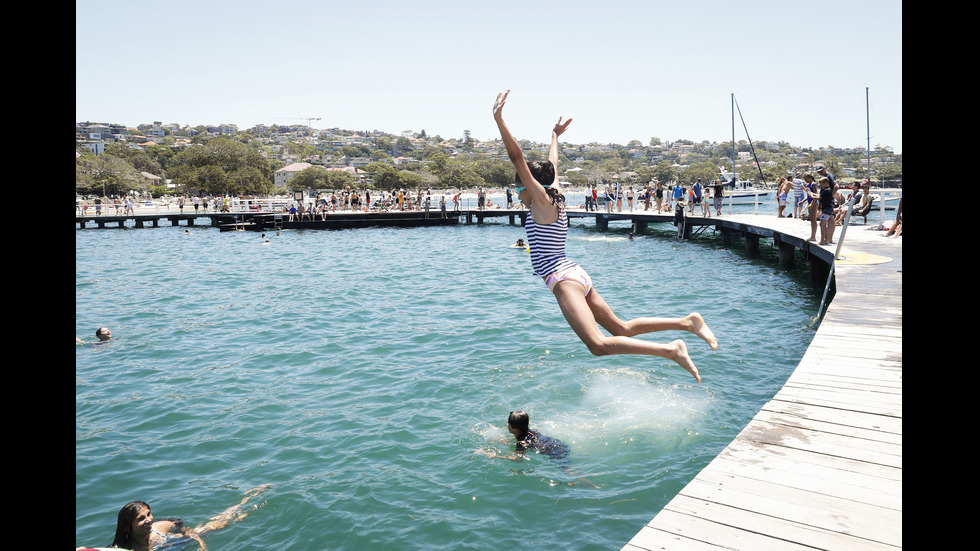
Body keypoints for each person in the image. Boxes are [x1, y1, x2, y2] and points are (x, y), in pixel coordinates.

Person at [493, 90, 717, 382]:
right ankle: (687, 322)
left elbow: (516, 156)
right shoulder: (555, 194)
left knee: (597, 345)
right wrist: (554, 136)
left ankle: (671, 350)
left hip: (563, 279)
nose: (518, 191)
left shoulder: (542, 201)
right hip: (575, 273)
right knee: (620, 329)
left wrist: (499, 119)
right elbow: (554, 164)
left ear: (530, 185)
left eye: (521, 185)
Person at [103, 486, 270, 551]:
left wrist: (202, 546)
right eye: (141, 518)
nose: (148, 520)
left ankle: (249, 497)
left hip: (183, 541)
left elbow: (188, 532)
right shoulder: (122, 548)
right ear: (128, 525)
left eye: (149, 514)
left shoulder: (162, 527)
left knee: (227, 521)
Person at [476, 411, 597, 488]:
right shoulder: (529, 430)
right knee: (567, 469)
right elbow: (525, 439)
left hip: (554, 453)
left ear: (514, 429)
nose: (507, 424)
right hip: (557, 444)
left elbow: (517, 459)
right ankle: (580, 481)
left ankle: (590, 485)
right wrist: (500, 440)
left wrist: (492, 455)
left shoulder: (520, 443)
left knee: (568, 471)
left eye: (508, 424)